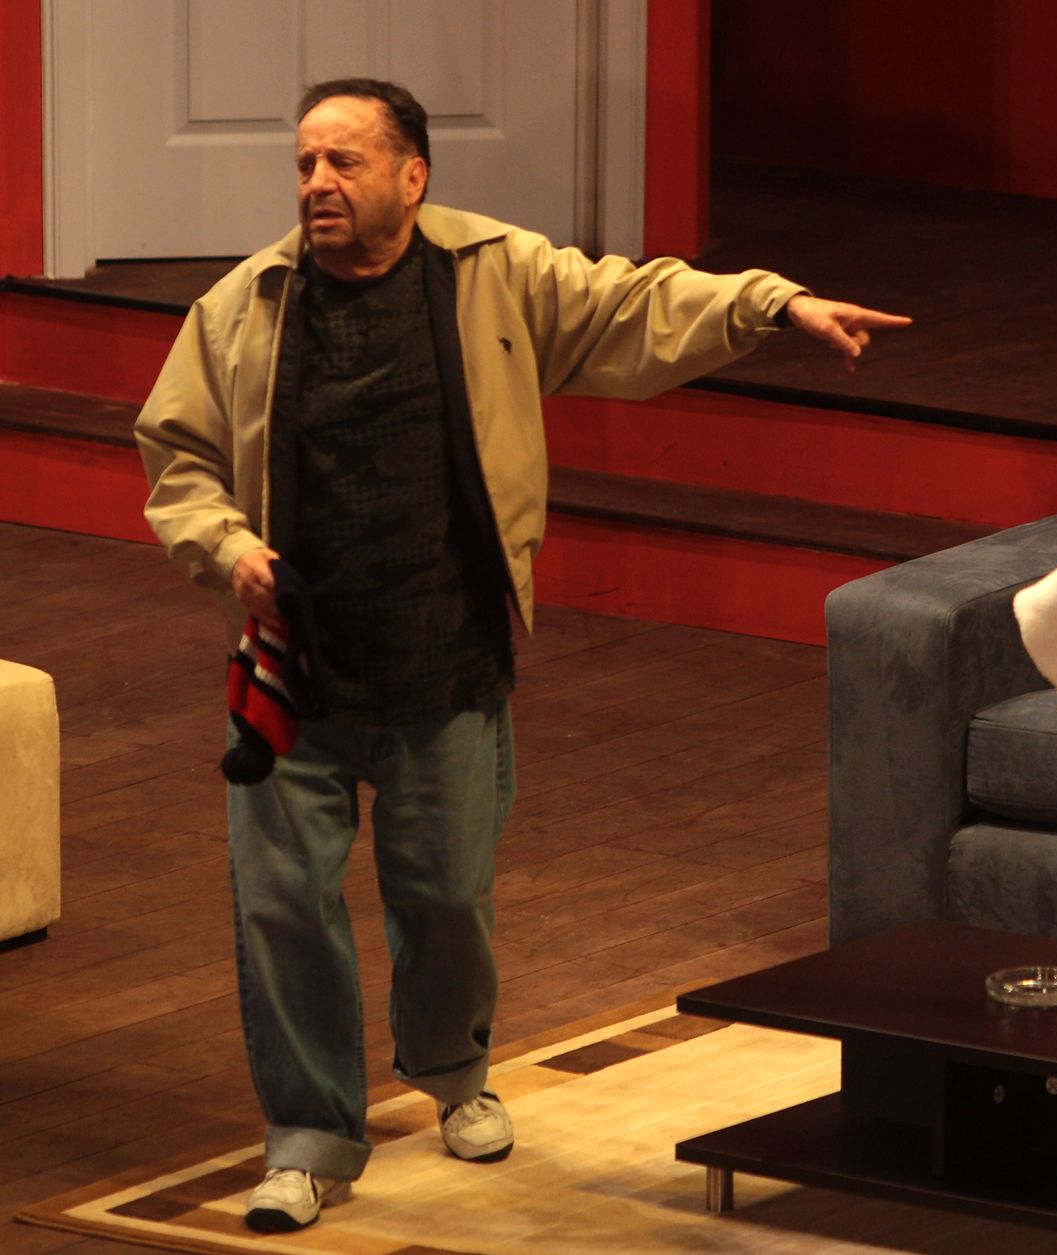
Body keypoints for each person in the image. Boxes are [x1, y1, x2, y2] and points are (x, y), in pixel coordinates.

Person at [134, 77, 909, 1235]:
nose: (316, 186)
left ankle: (450, 1070)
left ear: (414, 175)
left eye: (343, 163)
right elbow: (177, 457)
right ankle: (307, 1134)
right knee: (283, 907)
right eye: (304, 164)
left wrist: (774, 303)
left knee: (445, 895)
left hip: (446, 654)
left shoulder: (491, 275)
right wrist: (228, 546)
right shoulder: (249, 303)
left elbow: (636, 304)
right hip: (296, 667)